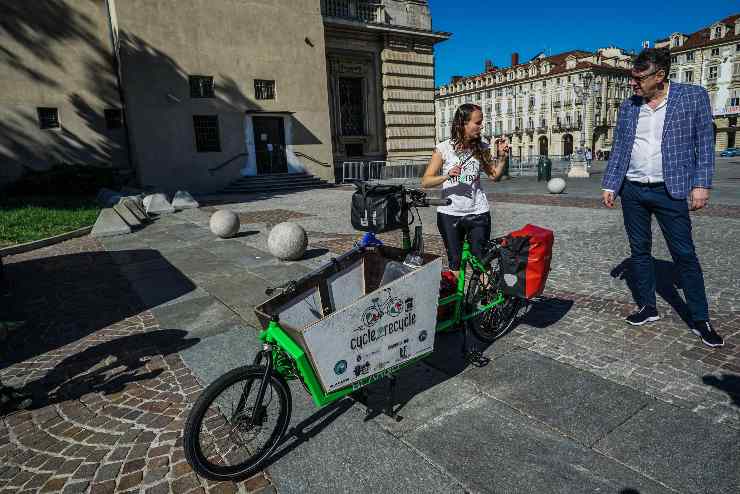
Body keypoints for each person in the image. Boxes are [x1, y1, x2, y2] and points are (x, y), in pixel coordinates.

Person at [601, 48, 723, 347]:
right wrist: (610, 184)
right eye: (632, 77)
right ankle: (647, 306)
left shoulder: (692, 97)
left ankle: (700, 318)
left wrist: (701, 184)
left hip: (672, 188)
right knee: (639, 250)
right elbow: (621, 146)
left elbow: (705, 145)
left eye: (639, 78)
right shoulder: (629, 105)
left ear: (660, 76)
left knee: (684, 253)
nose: (633, 84)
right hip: (633, 189)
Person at [422, 103, 509, 277]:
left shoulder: (482, 148)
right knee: (455, 263)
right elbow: (426, 181)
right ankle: (458, 304)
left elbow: (494, 176)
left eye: (481, 122)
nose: (481, 126)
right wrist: (447, 176)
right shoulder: (443, 148)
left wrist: (502, 157)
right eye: (477, 122)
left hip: (478, 212)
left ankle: (488, 301)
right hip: (450, 213)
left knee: (481, 262)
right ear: (463, 123)